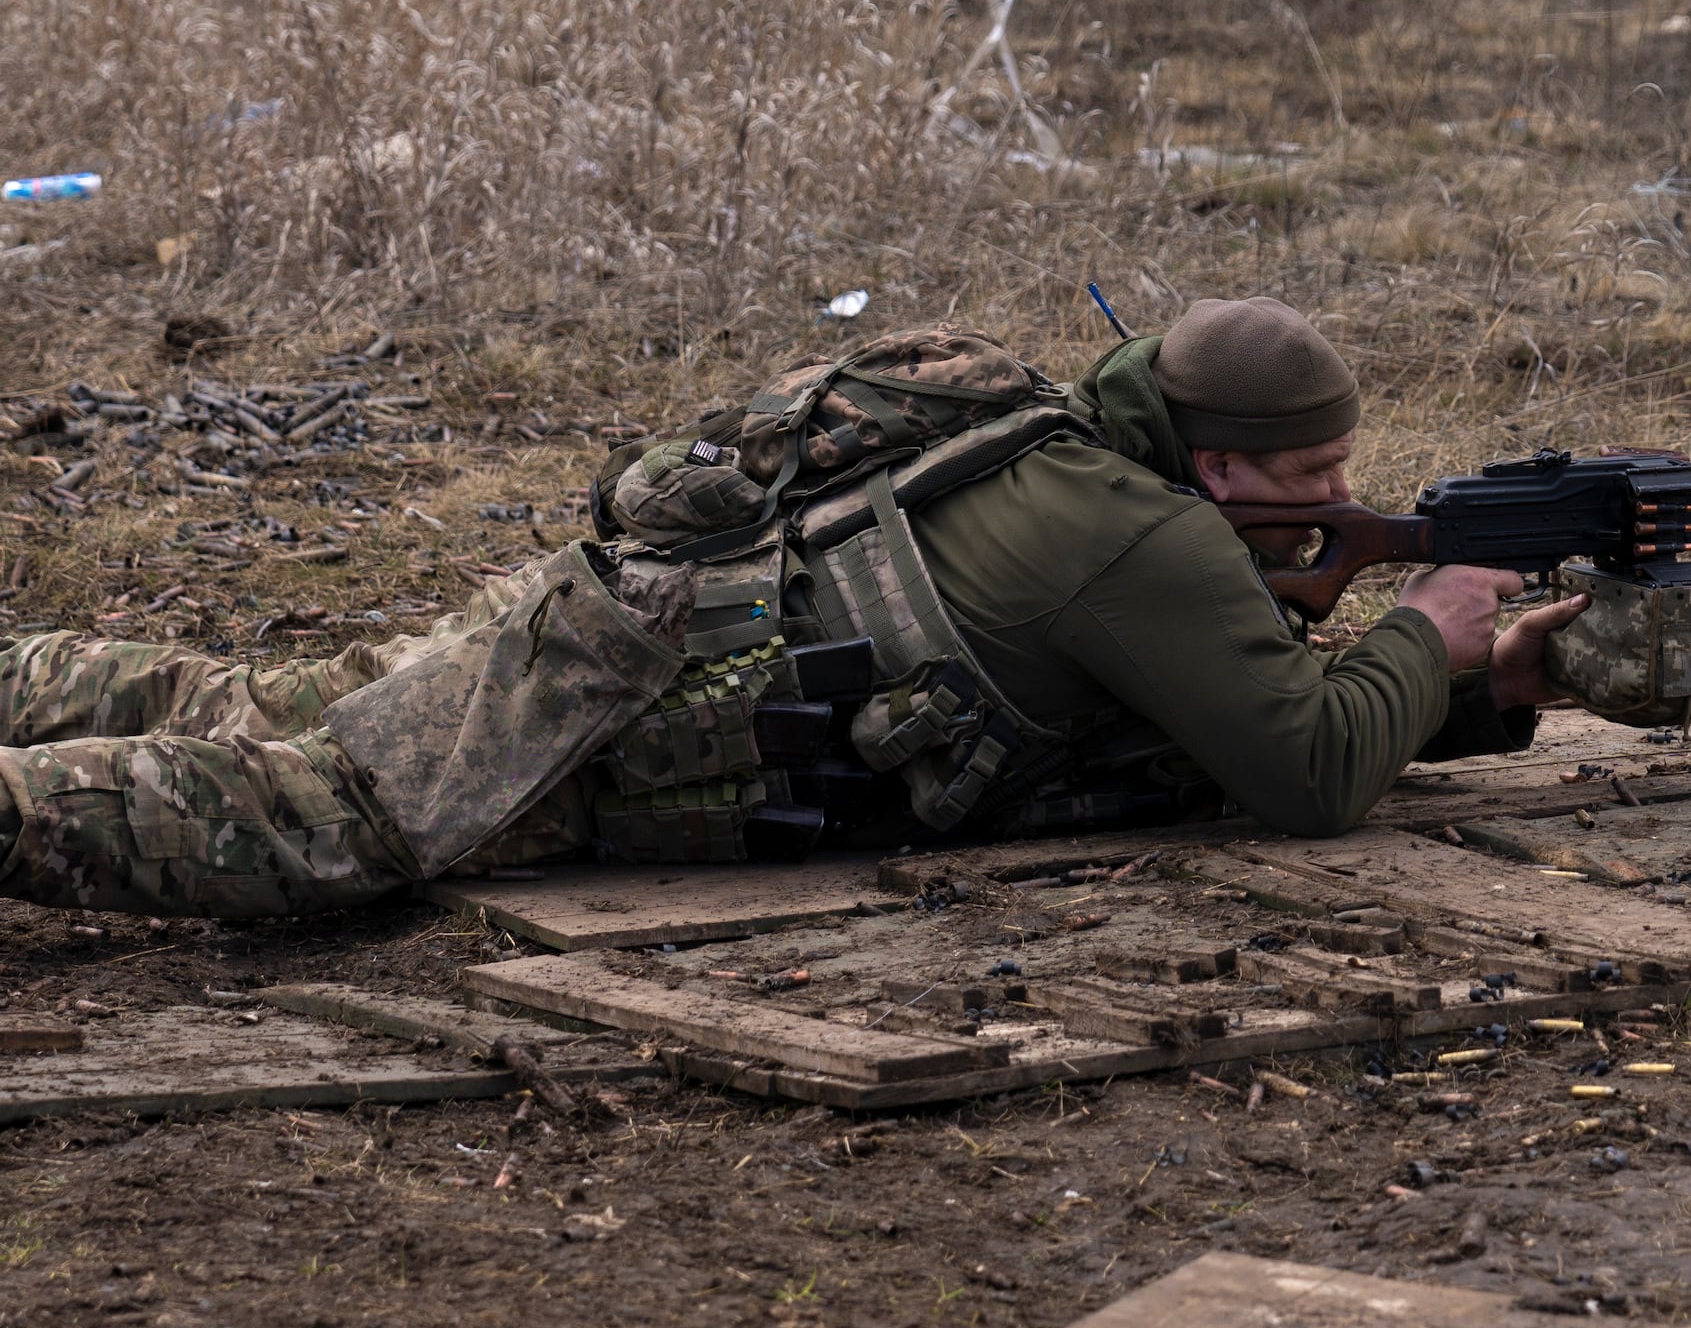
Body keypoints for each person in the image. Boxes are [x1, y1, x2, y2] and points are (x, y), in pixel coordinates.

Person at [0, 298, 1589, 919]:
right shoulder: (1147, 542)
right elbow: (1306, 774)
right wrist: (1428, 621)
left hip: (607, 619)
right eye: (1312, 471)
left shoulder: (1065, 441)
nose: (1330, 496)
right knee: (297, 821)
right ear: (1225, 467)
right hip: (625, 731)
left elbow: (1206, 724)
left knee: (244, 705)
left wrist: (1476, 686)